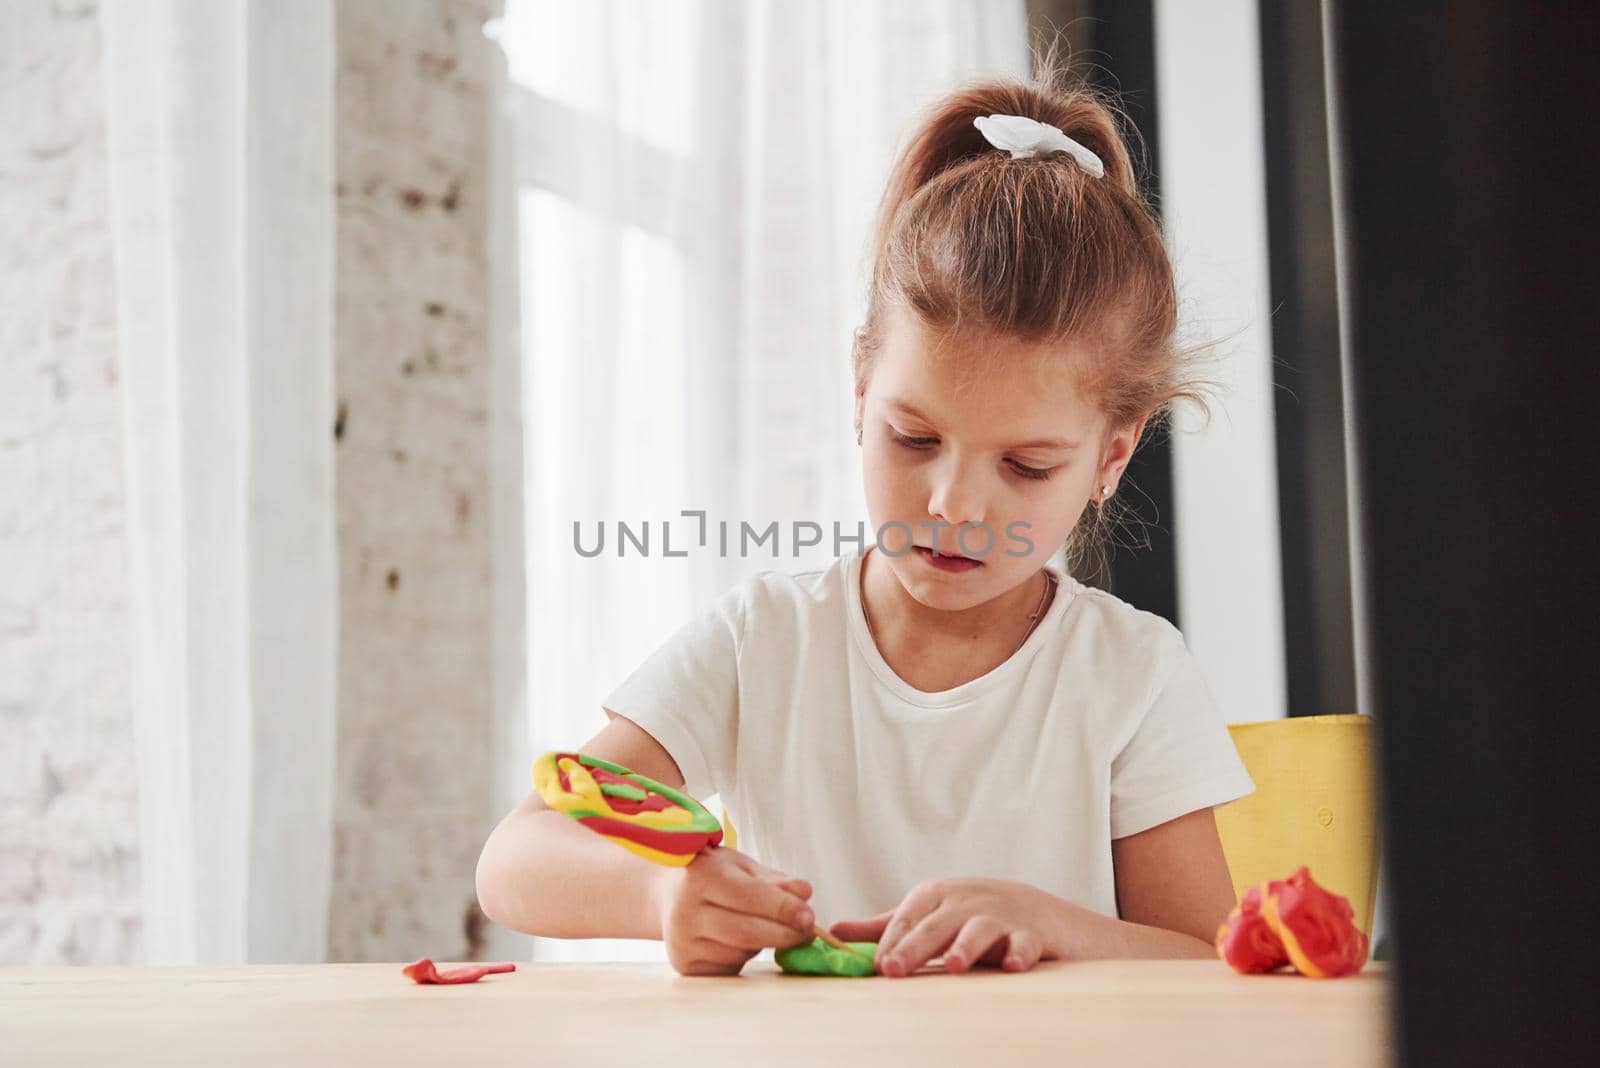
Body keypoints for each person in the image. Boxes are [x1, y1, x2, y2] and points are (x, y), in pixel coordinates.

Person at [476, 69, 1255, 978]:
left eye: (1025, 466)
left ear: (1110, 460)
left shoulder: (1132, 677)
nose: (953, 506)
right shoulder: (762, 643)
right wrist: (662, 898)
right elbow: (512, 863)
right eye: (913, 436)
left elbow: (1209, 963)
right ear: (859, 390)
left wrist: (1050, 923)